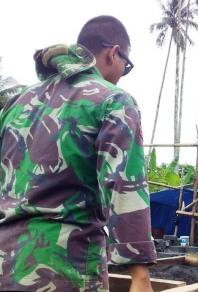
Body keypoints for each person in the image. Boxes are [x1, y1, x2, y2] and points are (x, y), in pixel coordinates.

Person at [0, 16, 156, 291]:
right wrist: (140, 276)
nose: (122, 73)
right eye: (126, 65)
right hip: (67, 270)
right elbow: (124, 187)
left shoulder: (17, 103)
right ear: (113, 53)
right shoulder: (112, 101)